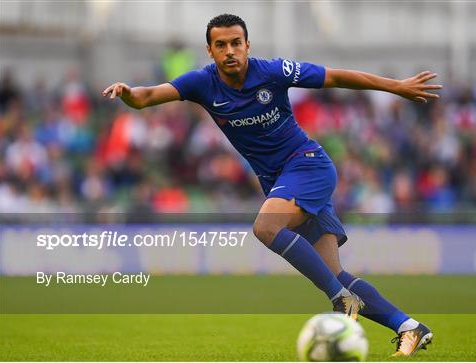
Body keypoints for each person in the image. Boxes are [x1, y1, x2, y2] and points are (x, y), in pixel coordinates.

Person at [103, 14, 442, 357]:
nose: (230, 51)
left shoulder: (274, 72)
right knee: (334, 271)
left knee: (266, 227)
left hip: (308, 165)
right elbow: (147, 97)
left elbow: (336, 76)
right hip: (281, 181)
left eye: (236, 43)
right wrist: (128, 93)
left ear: (248, 45)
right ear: (210, 51)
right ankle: (409, 326)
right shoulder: (201, 83)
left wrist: (395, 86)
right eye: (221, 45)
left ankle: (342, 302)